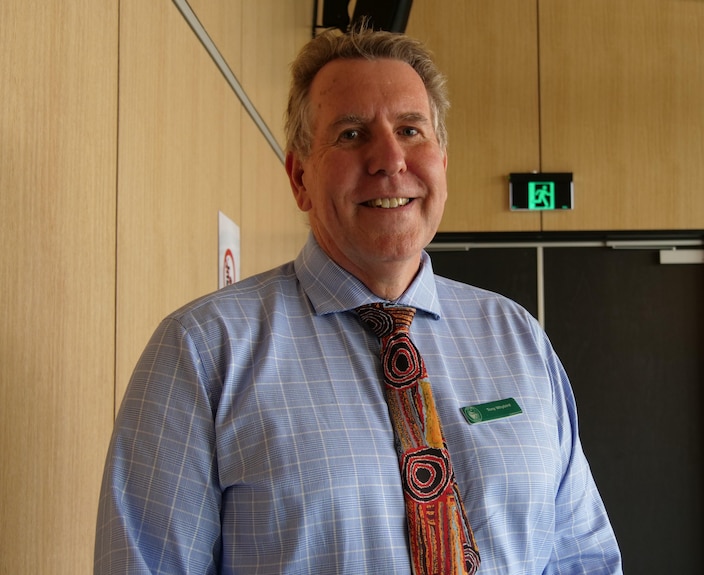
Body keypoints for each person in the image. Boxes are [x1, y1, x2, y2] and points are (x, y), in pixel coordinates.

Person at [94, 28, 623, 574]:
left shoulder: (518, 339)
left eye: (411, 130)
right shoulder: (203, 352)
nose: (390, 159)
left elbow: (584, 559)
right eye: (351, 134)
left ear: (442, 161)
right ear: (299, 177)